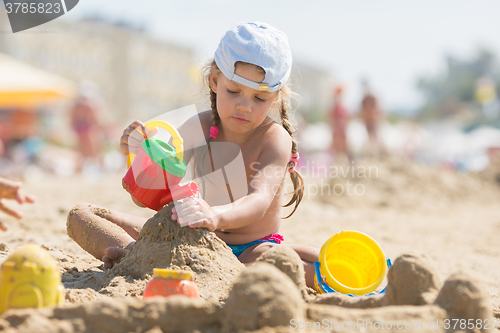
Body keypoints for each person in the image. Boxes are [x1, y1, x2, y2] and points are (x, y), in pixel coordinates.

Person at [66, 22, 320, 288]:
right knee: (83, 215)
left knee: (292, 263)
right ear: (214, 81)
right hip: (189, 241)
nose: (245, 106)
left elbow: (259, 200)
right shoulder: (197, 127)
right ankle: (135, 254)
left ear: (277, 98)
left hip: (249, 251)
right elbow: (146, 201)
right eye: (234, 91)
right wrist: (139, 158)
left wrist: (215, 216)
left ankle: (146, 259)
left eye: (260, 98)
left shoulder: (274, 138)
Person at [70, 82, 102, 173]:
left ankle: (81, 169)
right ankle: (93, 167)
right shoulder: (88, 106)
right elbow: (94, 119)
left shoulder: (76, 106)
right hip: (86, 129)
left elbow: (72, 119)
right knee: (90, 149)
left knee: (81, 150)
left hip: (79, 128)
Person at [329, 86, 353, 163]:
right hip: (338, 131)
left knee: (343, 148)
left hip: (341, 131)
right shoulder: (335, 106)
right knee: (337, 149)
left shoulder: (343, 106)